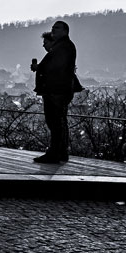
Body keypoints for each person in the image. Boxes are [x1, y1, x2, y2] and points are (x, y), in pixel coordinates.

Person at [30, 20, 77, 164]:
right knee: (58, 122)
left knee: (55, 122)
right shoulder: (64, 46)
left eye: (57, 28)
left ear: (65, 31)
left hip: (56, 90)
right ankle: (60, 152)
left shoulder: (62, 47)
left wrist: (39, 68)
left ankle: (54, 153)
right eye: (53, 28)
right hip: (59, 89)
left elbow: (55, 67)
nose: (53, 30)